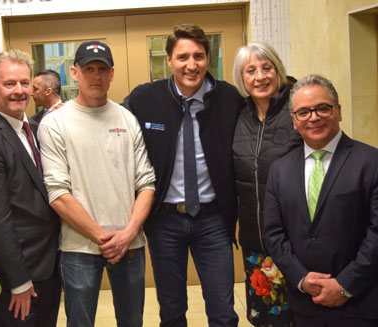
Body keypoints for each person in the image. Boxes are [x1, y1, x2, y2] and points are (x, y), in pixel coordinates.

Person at [126, 24, 242, 327]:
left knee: (223, 311)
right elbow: (113, 133)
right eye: (183, 57)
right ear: (169, 60)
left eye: (199, 56)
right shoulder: (144, 98)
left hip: (213, 219)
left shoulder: (229, 98)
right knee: (172, 310)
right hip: (165, 221)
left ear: (208, 58)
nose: (192, 65)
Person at [38, 40, 156, 327]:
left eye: (102, 69)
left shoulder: (127, 119)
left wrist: (128, 234)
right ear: (74, 72)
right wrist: (103, 237)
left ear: (112, 73)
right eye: (88, 68)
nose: (96, 76)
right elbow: (57, 193)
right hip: (79, 248)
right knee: (80, 322)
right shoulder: (55, 124)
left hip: (130, 246)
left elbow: (147, 183)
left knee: (132, 321)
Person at [263, 74, 378, 326]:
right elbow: (273, 233)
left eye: (322, 108)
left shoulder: (371, 162)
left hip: (361, 303)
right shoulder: (279, 170)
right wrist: (301, 279)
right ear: (294, 121)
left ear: (338, 111)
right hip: (304, 305)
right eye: (303, 112)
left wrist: (345, 285)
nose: (313, 117)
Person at [0, 49, 61, 327]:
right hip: (19, 277)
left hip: (48, 266)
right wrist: (19, 281)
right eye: (9, 84)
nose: (19, 91)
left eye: (24, 83)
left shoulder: (33, 128)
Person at [232, 42, 301, 326]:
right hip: (257, 242)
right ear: (242, 78)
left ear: (278, 71)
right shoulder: (238, 115)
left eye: (266, 68)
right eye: (251, 70)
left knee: (306, 315)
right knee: (268, 319)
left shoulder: (298, 108)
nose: (260, 76)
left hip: (299, 243)